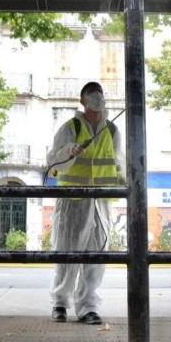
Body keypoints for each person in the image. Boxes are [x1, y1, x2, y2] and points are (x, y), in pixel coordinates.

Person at [46, 82, 125, 325]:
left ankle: (88, 306)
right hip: (73, 201)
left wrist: (123, 178)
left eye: (99, 94)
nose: (96, 99)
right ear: (82, 101)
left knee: (96, 255)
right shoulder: (71, 127)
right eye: (91, 95)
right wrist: (69, 151)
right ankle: (60, 303)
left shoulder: (111, 130)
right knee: (67, 253)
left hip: (100, 202)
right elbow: (52, 163)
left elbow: (119, 160)